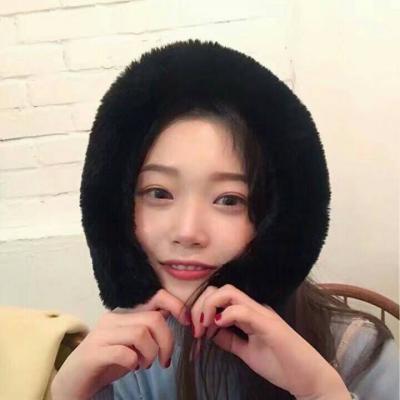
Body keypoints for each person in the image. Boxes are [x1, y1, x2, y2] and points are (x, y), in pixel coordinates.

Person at [50, 40, 399, 400]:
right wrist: (65, 393)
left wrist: (323, 392)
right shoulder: (130, 358)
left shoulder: (358, 353)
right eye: (159, 193)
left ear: (278, 217)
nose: (188, 232)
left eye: (229, 200)